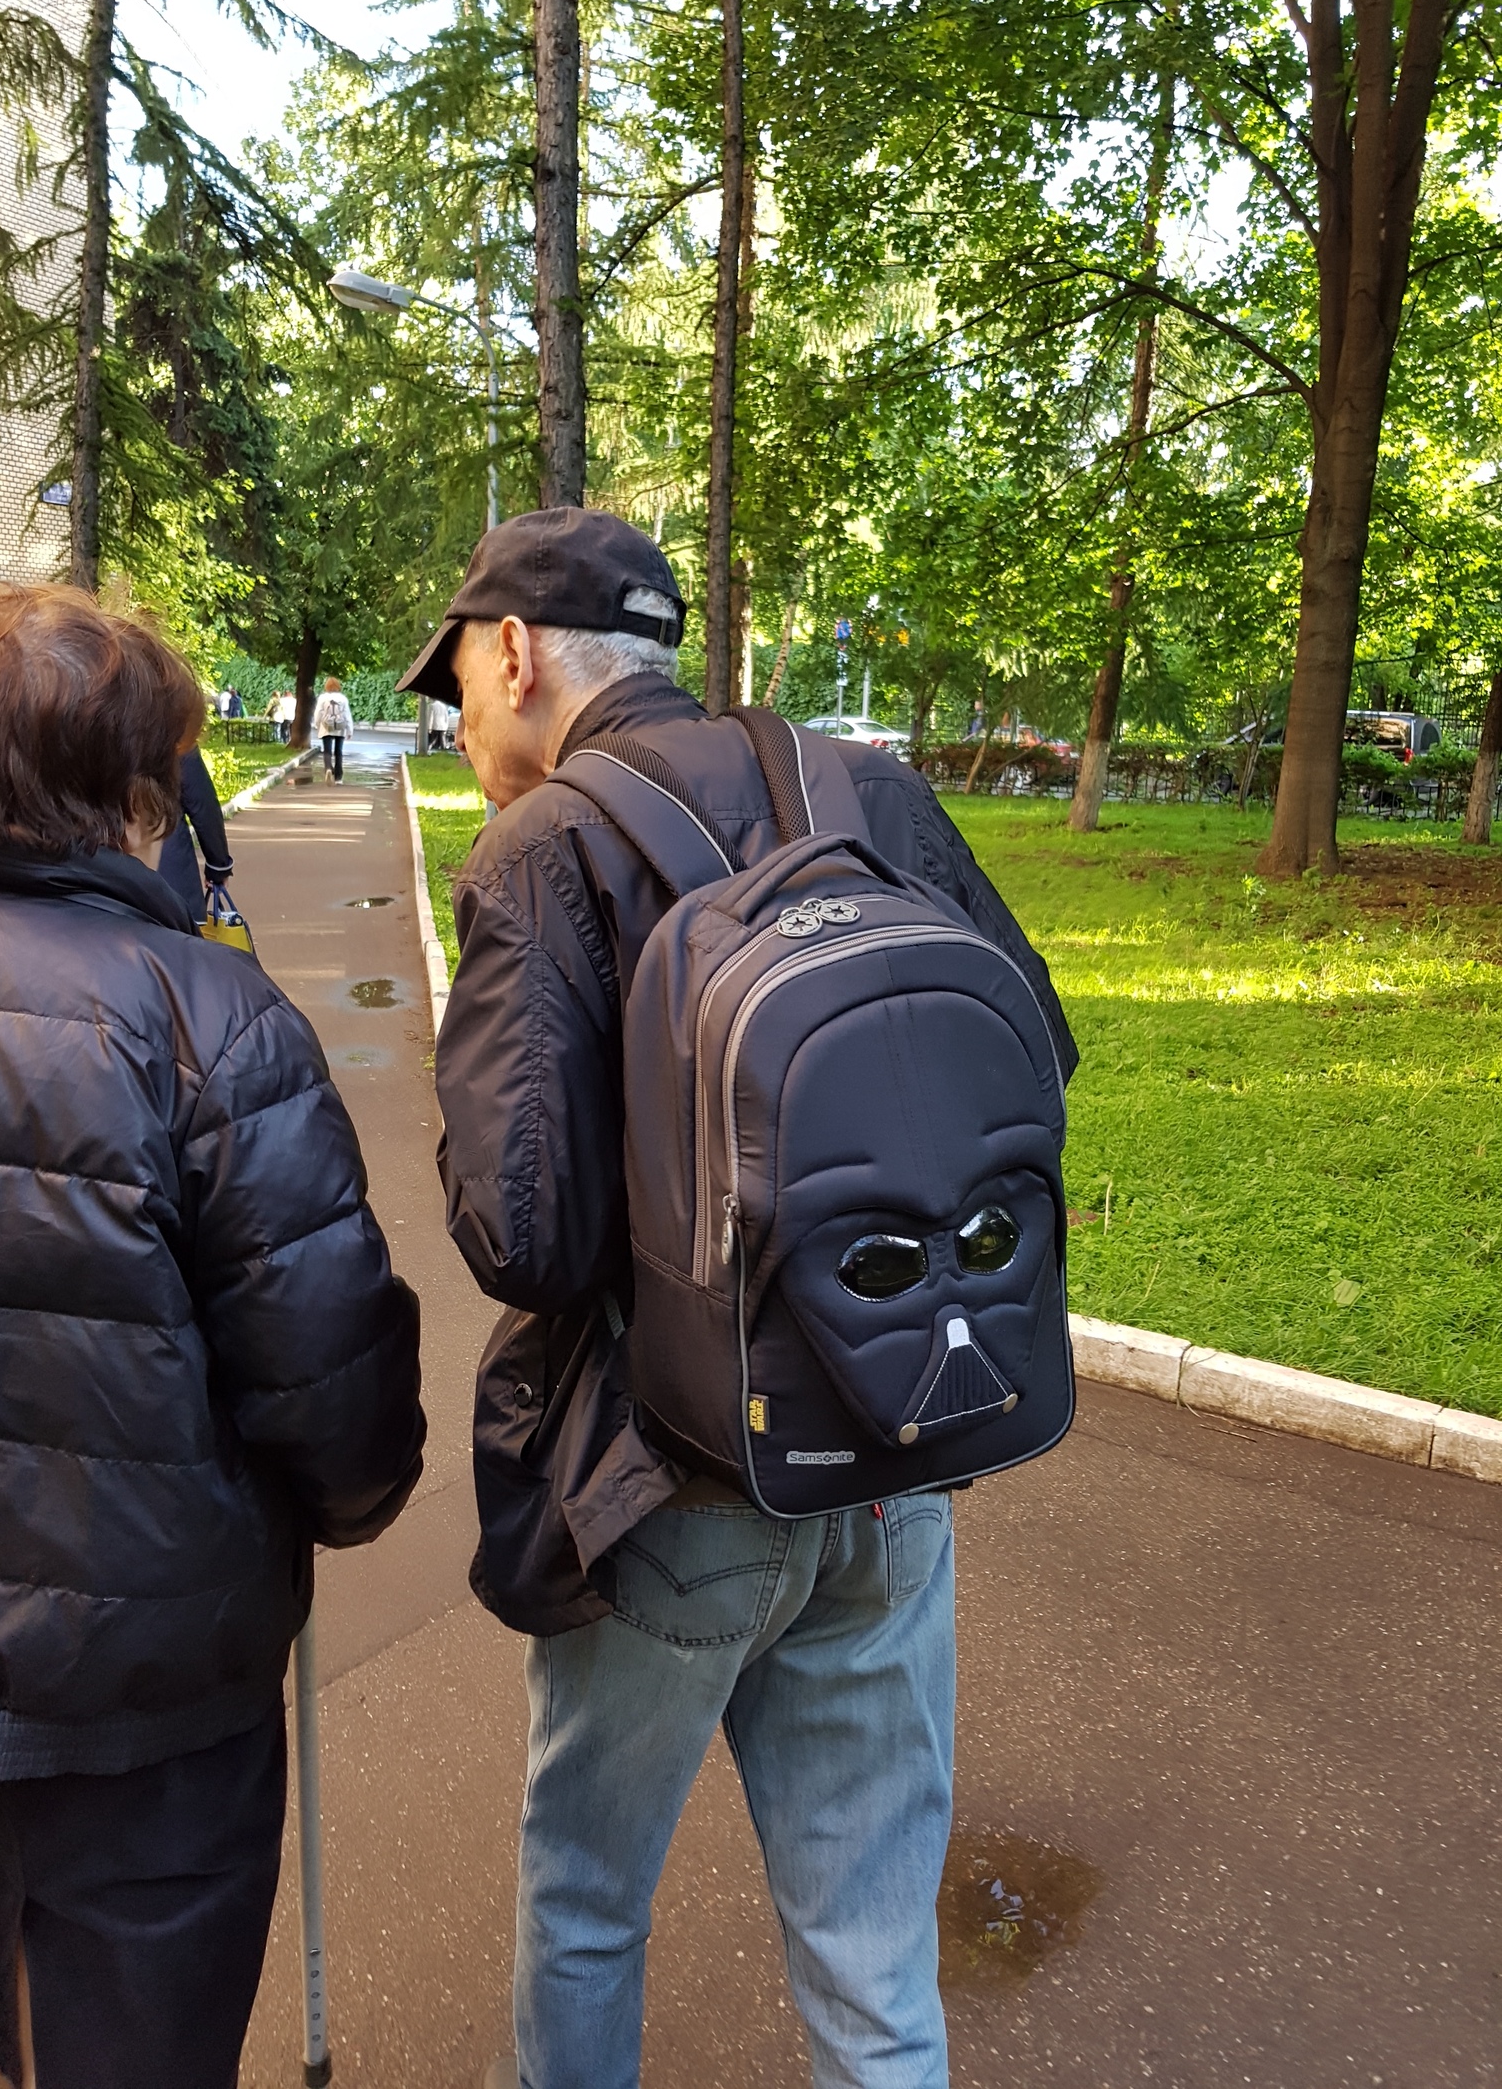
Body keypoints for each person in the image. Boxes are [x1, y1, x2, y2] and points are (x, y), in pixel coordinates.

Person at [399, 508, 1078, 2089]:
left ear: (515, 652)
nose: (464, 726)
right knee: (871, 1947)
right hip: (901, 1441)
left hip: (674, 1482)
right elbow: (1033, 1051)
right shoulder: (867, 788)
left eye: (461, 688)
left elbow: (523, 1235)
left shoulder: (544, 847)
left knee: (586, 1904)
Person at [0, 582, 426, 2089]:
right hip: (150, 1700)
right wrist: (350, 1501)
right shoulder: (209, 1016)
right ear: (135, 791)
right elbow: (331, 1389)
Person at [158, 744, 234, 924]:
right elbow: (202, 803)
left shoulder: (81, 722)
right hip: (170, 880)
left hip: (92, 885)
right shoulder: (172, 729)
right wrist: (218, 866)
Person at [314, 676, 353, 782]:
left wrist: (317, 724)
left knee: (327, 750)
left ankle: (328, 768)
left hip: (326, 726)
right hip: (340, 728)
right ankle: (338, 777)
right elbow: (347, 715)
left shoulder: (322, 698)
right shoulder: (343, 698)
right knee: (338, 751)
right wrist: (350, 730)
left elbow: (318, 713)